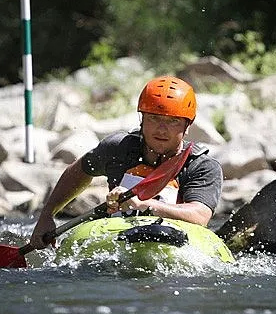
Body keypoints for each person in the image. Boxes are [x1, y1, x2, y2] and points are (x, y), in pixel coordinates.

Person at [28, 75, 223, 250]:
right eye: (154, 118)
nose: (162, 129)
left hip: (175, 240)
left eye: (173, 121)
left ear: (187, 125)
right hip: (117, 236)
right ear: (142, 119)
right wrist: (47, 215)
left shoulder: (202, 165)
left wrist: (145, 205)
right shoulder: (119, 148)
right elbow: (78, 171)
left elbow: (199, 215)